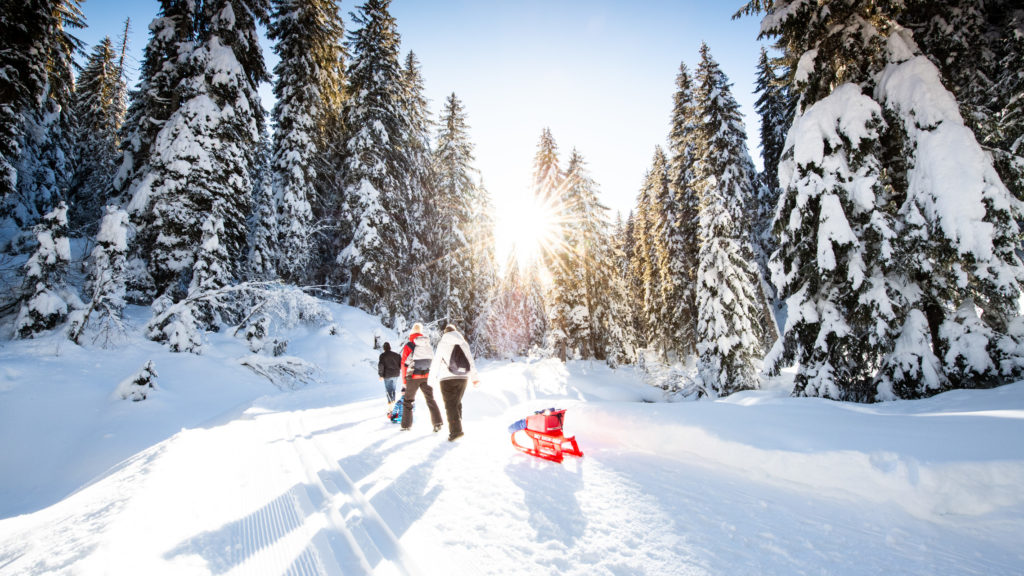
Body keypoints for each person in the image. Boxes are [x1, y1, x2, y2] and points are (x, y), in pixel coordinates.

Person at [428, 324, 480, 442]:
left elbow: (436, 363)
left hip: (447, 379)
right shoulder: (463, 342)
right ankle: (457, 424)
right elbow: (470, 361)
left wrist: (430, 381)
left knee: (450, 405)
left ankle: (456, 431)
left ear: (445, 333)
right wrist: (474, 378)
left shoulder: (443, 343)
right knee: (456, 403)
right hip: (463, 378)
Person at [400, 322, 444, 432]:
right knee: (430, 399)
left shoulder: (409, 345)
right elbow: (432, 361)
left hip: (413, 377)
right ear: (421, 332)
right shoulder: (427, 344)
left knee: (408, 401)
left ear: (412, 333)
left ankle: (406, 426)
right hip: (426, 376)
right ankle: (437, 423)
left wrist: (404, 382)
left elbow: (404, 364)